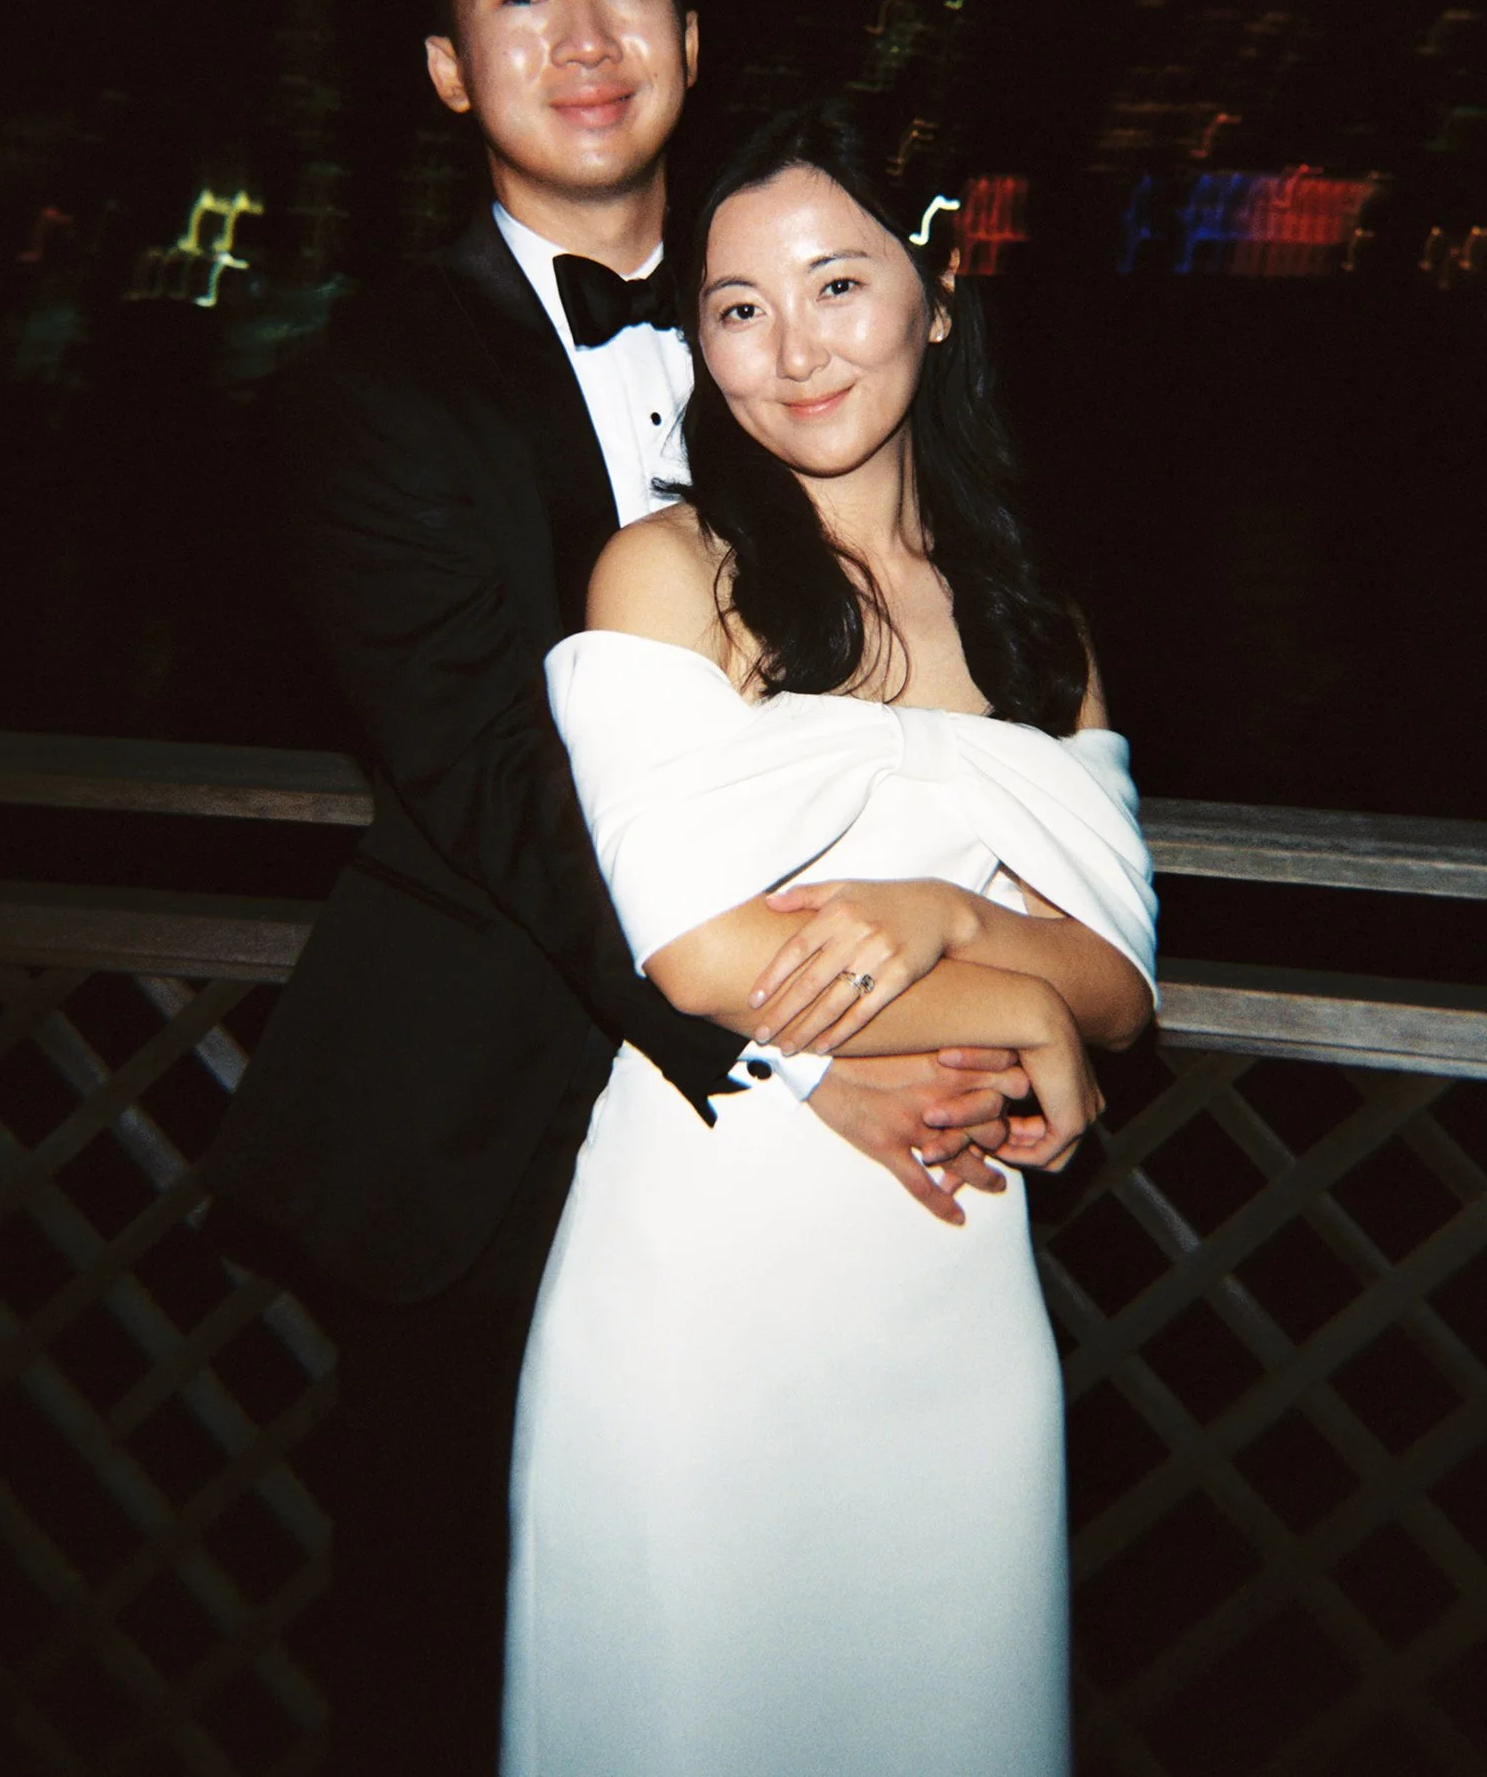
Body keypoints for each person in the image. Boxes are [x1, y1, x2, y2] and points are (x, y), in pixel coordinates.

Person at [201, 0, 1042, 1774]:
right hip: (497, 1121)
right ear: (441, 72)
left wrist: (1021, 982)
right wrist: (792, 1039)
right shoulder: (371, 384)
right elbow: (498, 778)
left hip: (818, 1169)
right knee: (464, 1662)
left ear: (687, 31)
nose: (582, 29)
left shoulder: (816, 333)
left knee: (791, 1652)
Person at [504, 99, 1160, 1776]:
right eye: (738, 309)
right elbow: (702, 959)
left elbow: (1125, 979)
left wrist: (949, 923)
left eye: (839, 286)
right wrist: (1020, 998)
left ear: (937, 299)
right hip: (711, 1260)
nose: (792, 351)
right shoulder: (665, 574)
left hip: (953, 1280)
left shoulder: (1032, 615)